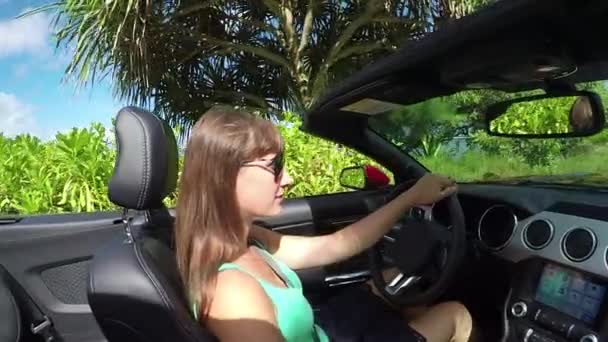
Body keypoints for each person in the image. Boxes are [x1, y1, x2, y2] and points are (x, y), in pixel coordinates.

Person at [175, 108, 473, 342]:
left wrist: (409, 198)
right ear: (224, 178)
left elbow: (336, 244)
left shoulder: (250, 240)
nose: (288, 178)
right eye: (274, 167)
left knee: (397, 280)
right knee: (456, 316)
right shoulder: (231, 292)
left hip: (324, 331)